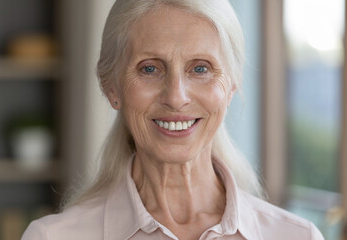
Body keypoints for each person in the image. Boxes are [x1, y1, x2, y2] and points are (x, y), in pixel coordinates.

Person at [22, 0, 324, 239]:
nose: (176, 96)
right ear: (111, 86)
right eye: (150, 69)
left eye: (201, 68)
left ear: (231, 86)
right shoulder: (52, 237)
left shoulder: (298, 236)